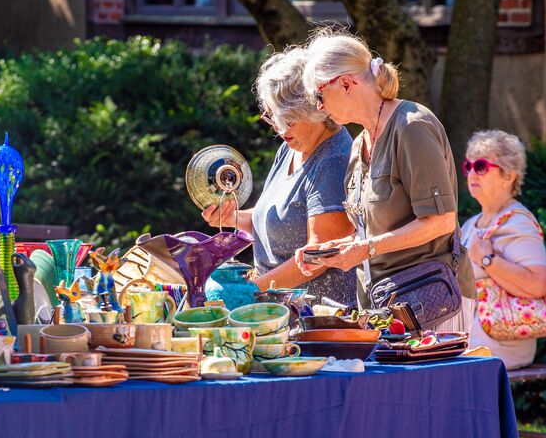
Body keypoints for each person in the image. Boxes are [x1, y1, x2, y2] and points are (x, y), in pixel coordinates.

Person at [294, 29, 475, 332]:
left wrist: (365, 249)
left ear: (346, 84)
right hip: (383, 308)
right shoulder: (358, 145)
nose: (319, 106)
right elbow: (373, 233)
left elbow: (440, 222)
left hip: (433, 302)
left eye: (318, 95)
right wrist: (331, 252)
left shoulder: (412, 126)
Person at [201, 47, 355, 304]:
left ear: (314, 111)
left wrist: (250, 292)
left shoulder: (334, 160)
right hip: (276, 309)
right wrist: (234, 218)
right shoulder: (291, 147)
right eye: (274, 117)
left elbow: (321, 256)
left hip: (317, 317)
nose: (280, 129)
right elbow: (284, 220)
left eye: (290, 120)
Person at [460, 129, 546, 368]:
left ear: (508, 175)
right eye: (468, 166)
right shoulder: (471, 224)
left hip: (503, 339)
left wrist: (488, 259)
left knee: (441, 362)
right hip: (474, 333)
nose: (472, 173)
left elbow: (539, 284)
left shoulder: (518, 222)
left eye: (481, 166)